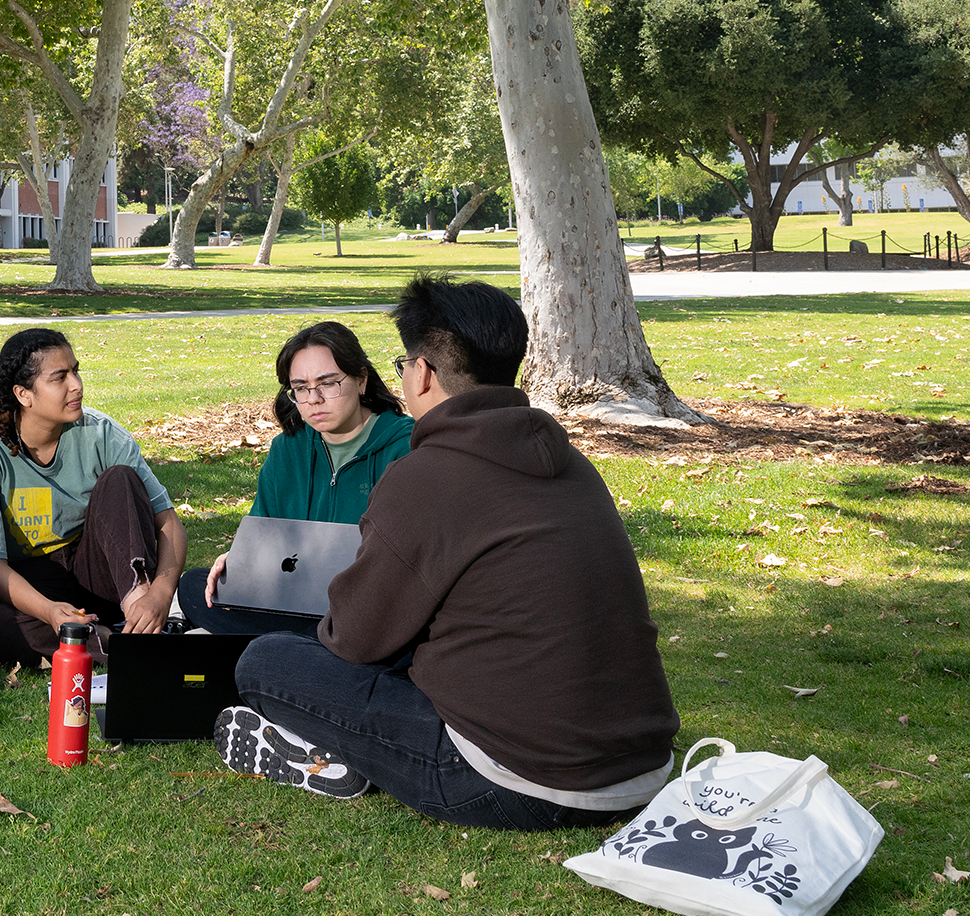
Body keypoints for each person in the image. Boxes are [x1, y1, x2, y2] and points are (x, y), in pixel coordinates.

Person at [215, 274, 680, 829]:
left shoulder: (426, 475)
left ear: (424, 373)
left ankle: (330, 753)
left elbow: (354, 639)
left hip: (519, 778)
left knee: (266, 661)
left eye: (404, 364)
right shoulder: (569, 461)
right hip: (643, 766)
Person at [0, 328, 187, 667]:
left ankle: (139, 608)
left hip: (100, 573)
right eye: (60, 377)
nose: (76, 385)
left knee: (120, 478)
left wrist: (161, 596)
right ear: (24, 394)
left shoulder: (101, 433)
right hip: (30, 584)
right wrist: (48, 611)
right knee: (6, 631)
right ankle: (112, 640)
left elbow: (169, 523)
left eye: (75, 371)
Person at [176, 320, 414, 633]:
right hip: (290, 602)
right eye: (300, 388)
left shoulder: (404, 448)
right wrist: (238, 560)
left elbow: (404, 563)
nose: (313, 399)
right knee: (196, 587)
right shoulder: (287, 449)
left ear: (361, 380)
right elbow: (264, 534)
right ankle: (295, 649)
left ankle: (279, 648)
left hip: (364, 610)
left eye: (328, 384)